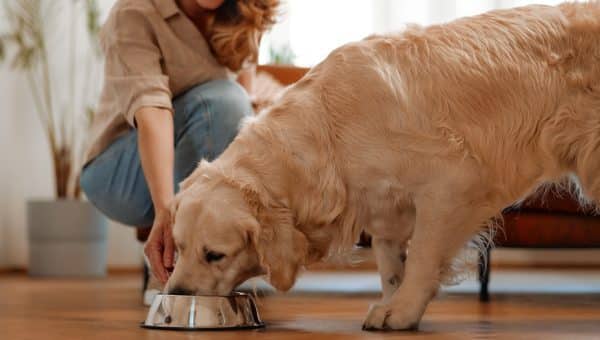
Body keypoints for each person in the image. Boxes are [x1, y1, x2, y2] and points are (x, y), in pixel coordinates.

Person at [80, 0, 278, 302]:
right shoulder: (134, 13)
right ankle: (172, 271)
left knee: (233, 104)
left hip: (190, 154)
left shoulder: (244, 11)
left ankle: (209, 269)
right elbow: (153, 113)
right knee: (221, 103)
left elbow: (243, 102)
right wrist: (167, 212)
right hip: (118, 173)